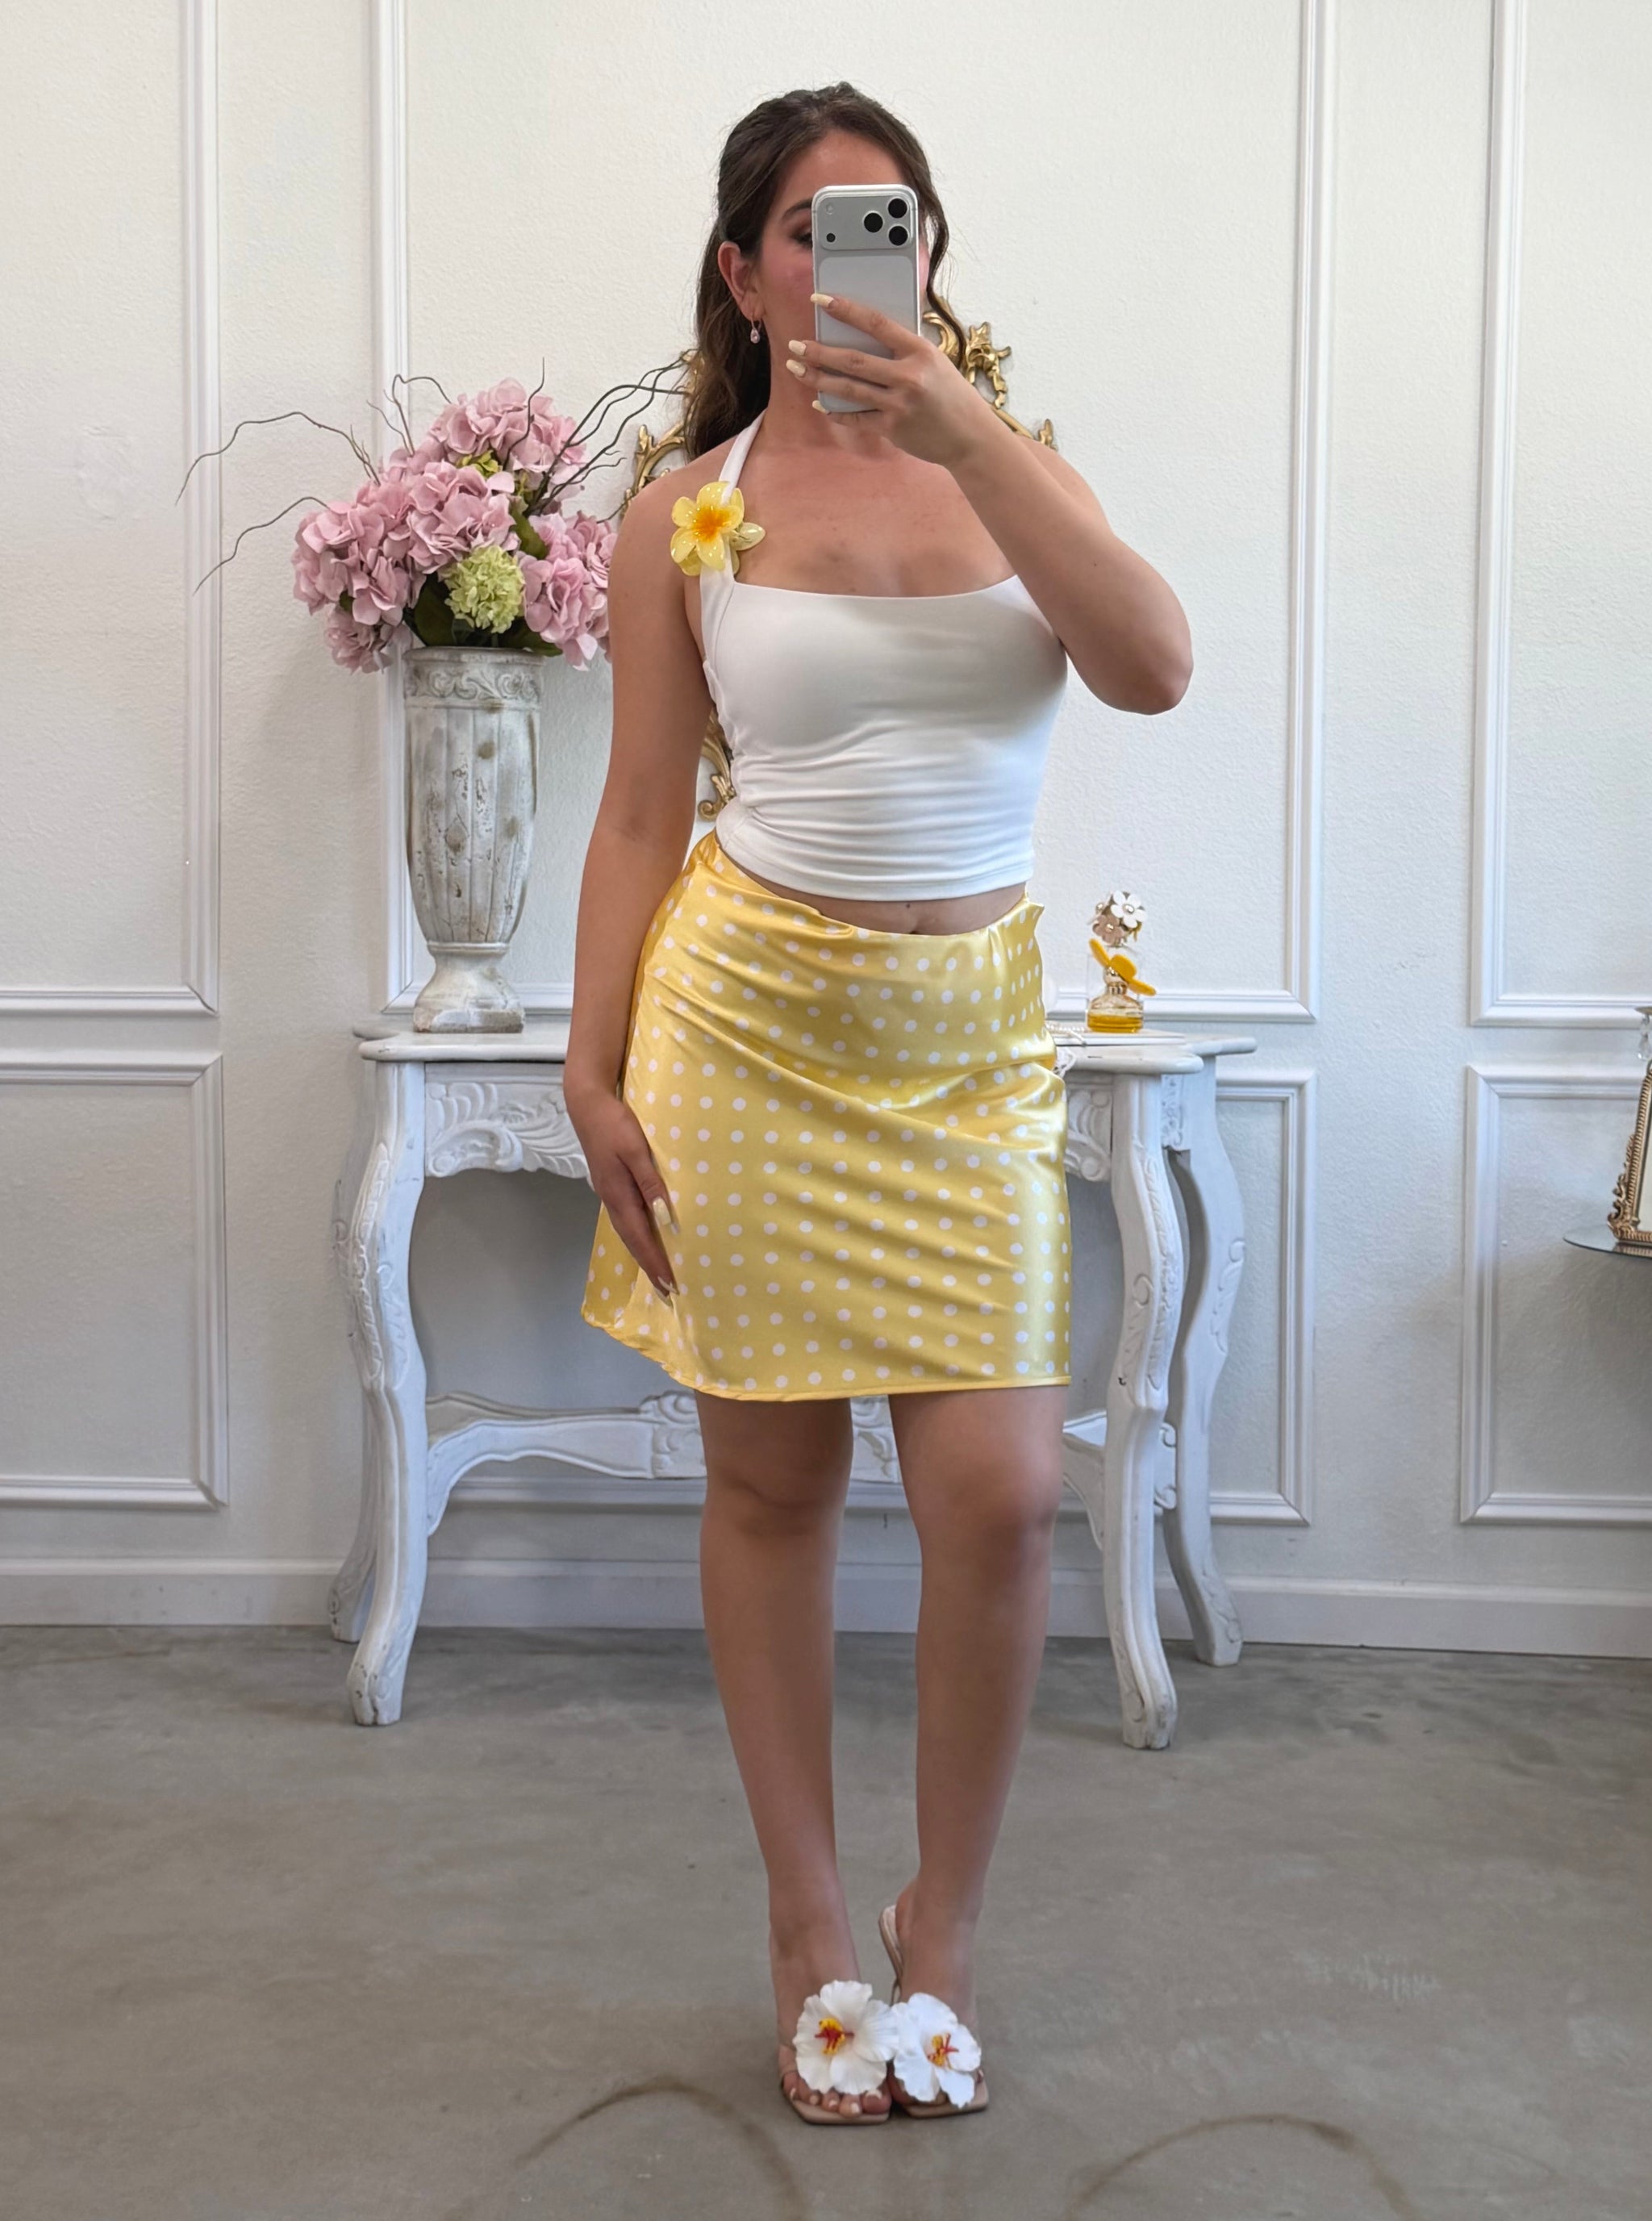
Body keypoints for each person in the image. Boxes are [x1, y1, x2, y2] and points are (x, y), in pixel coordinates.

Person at [566, 81, 1191, 2125]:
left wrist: (968, 435)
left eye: (898, 221)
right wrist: (588, 1058)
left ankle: (949, 1921)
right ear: (747, 275)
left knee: (998, 1499)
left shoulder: (1019, 470)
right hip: (744, 1033)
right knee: (772, 1490)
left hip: (968, 1046)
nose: (868, 256)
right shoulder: (687, 512)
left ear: (931, 255)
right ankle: (807, 1919)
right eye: (823, 227)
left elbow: (1154, 666)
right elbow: (640, 809)